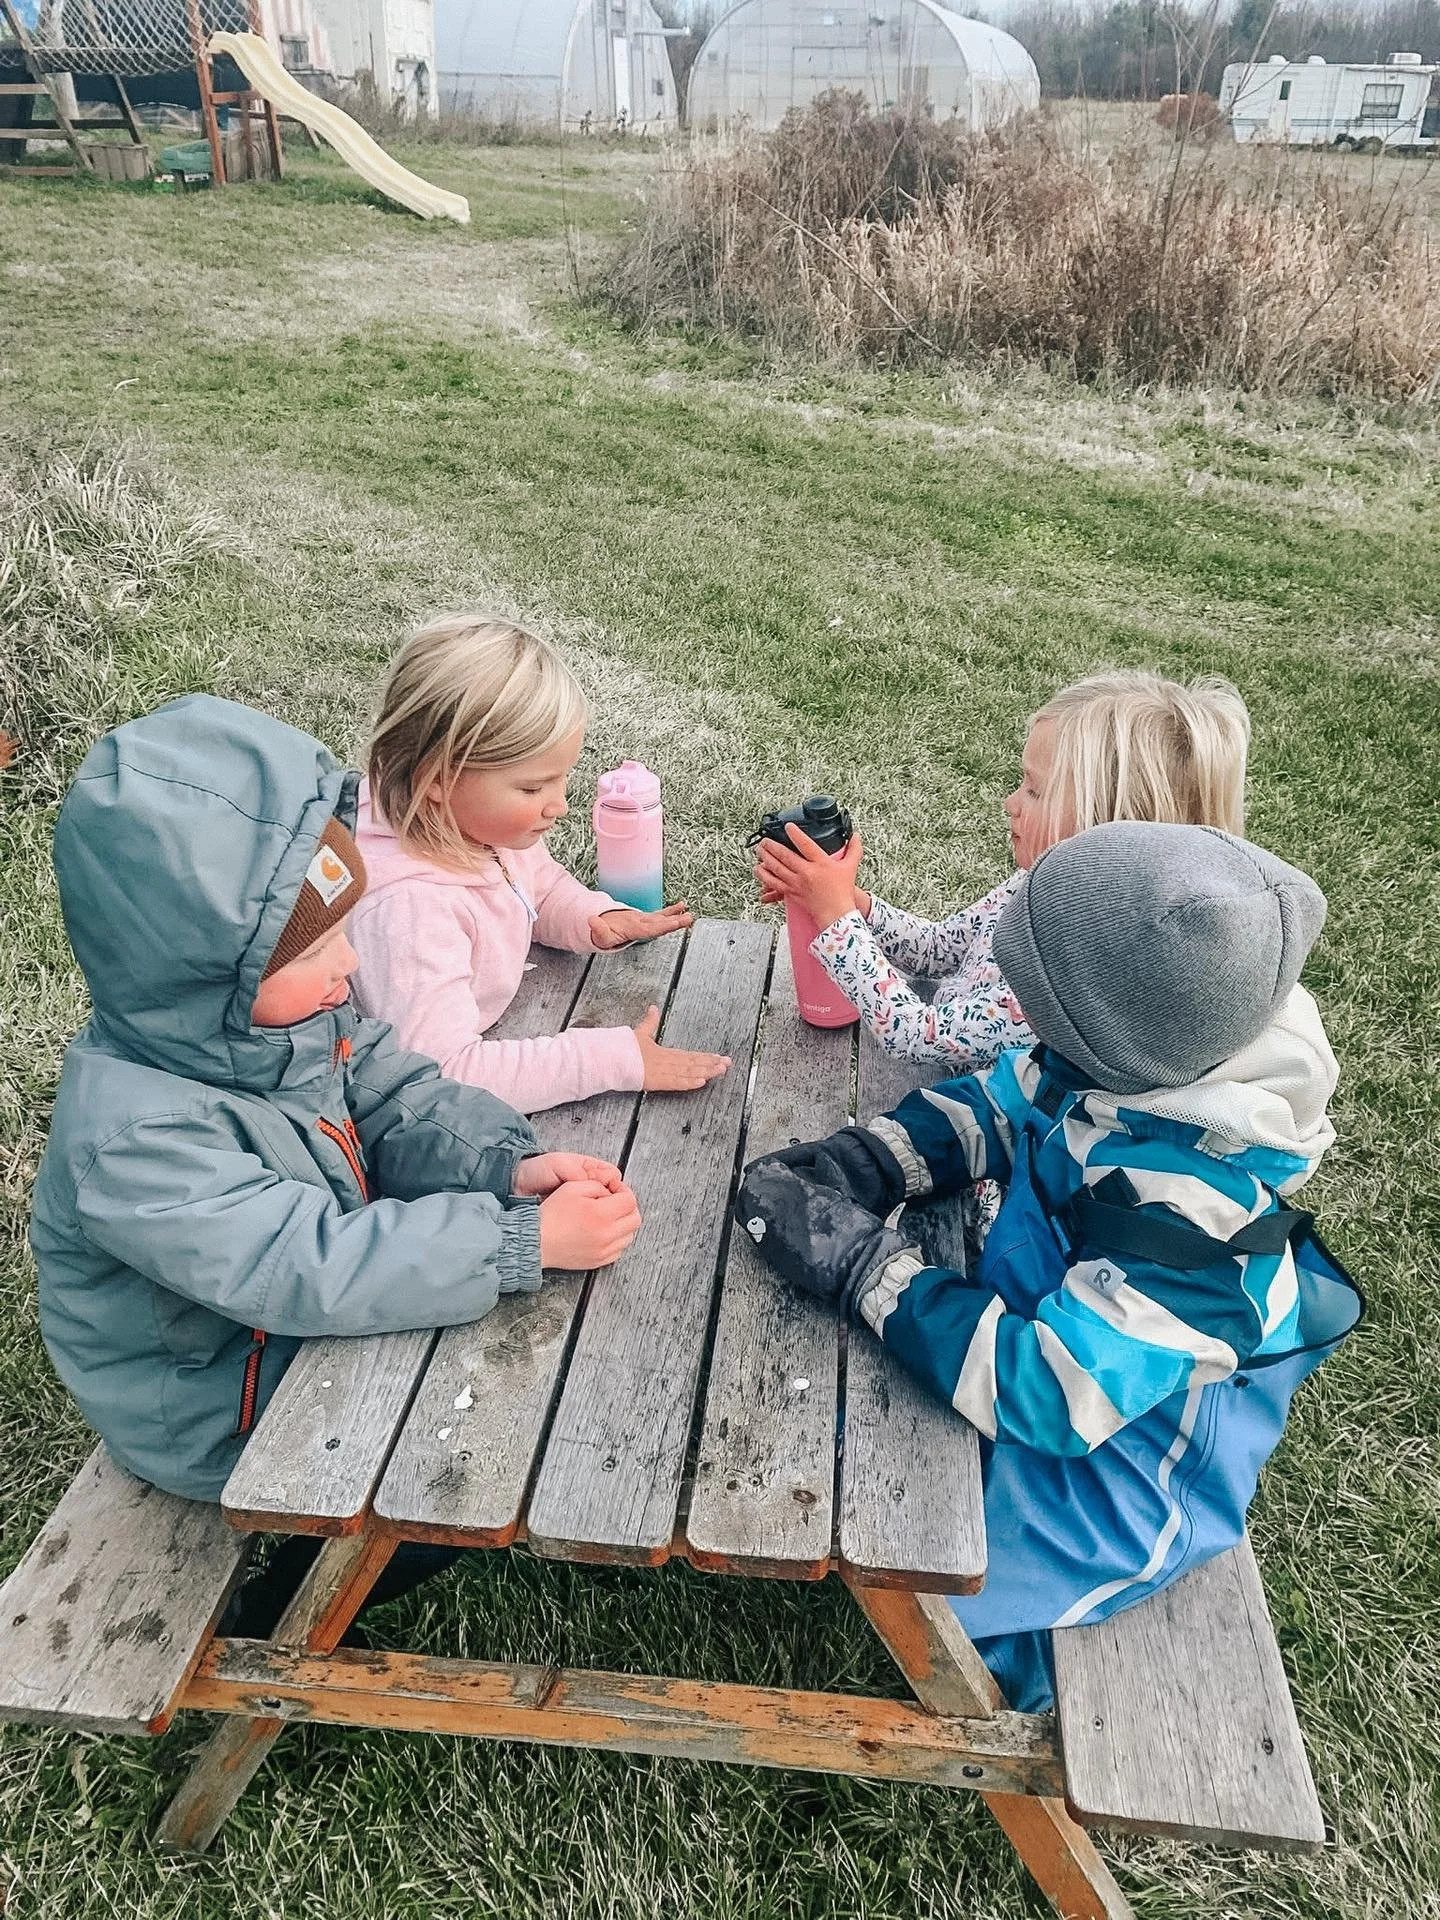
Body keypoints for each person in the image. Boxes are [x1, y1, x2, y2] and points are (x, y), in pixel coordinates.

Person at [736, 822, 1361, 1710]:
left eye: (1038, 1002)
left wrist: (864, 1266)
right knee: (864, 1422)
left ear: (1106, 1040)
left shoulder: (1196, 1228)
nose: (1019, 1015)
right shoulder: (1133, 1059)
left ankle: (1027, 1675)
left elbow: (1047, 1393)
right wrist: (866, 1162)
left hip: (1121, 1466)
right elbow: (1003, 1102)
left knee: (961, 1570)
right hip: (1050, 1321)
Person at [30, 693, 640, 1531]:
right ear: (207, 975)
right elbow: (303, 1266)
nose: (348, 965)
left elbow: (391, 1091)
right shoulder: (136, 1143)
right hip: (224, 1408)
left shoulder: (277, 1018)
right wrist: (517, 1240)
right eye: (316, 948)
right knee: (460, 1473)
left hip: (307, 1324)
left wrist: (505, 1165)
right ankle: (288, 1583)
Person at [755, 670, 1251, 1074]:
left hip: (984, 1162)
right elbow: (938, 950)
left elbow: (919, 1037)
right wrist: (852, 903)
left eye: (1035, 791)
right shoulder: (1038, 885)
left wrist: (838, 918)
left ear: (1110, 824)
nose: (1011, 803)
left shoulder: (1083, 970)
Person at [351, 614, 730, 1113]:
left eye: (560, 779)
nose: (560, 805)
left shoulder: (476, 826)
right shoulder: (408, 910)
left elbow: (537, 886)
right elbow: (442, 1075)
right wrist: (609, 1060)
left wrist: (593, 918)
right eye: (532, 788)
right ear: (438, 778)